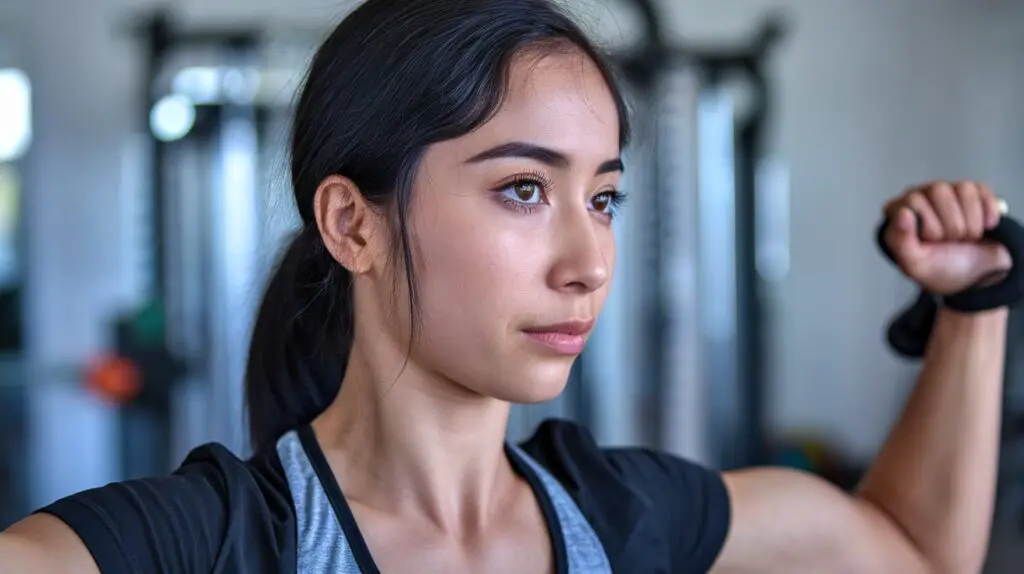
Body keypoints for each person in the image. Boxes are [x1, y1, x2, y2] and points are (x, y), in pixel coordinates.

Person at [0, 0, 1011, 572]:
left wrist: (972, 305)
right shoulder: (210, 544)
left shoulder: (619, 515)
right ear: (353, 222)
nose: (590, 261)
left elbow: (911, 548)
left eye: (603, 198)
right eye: (524, 189)